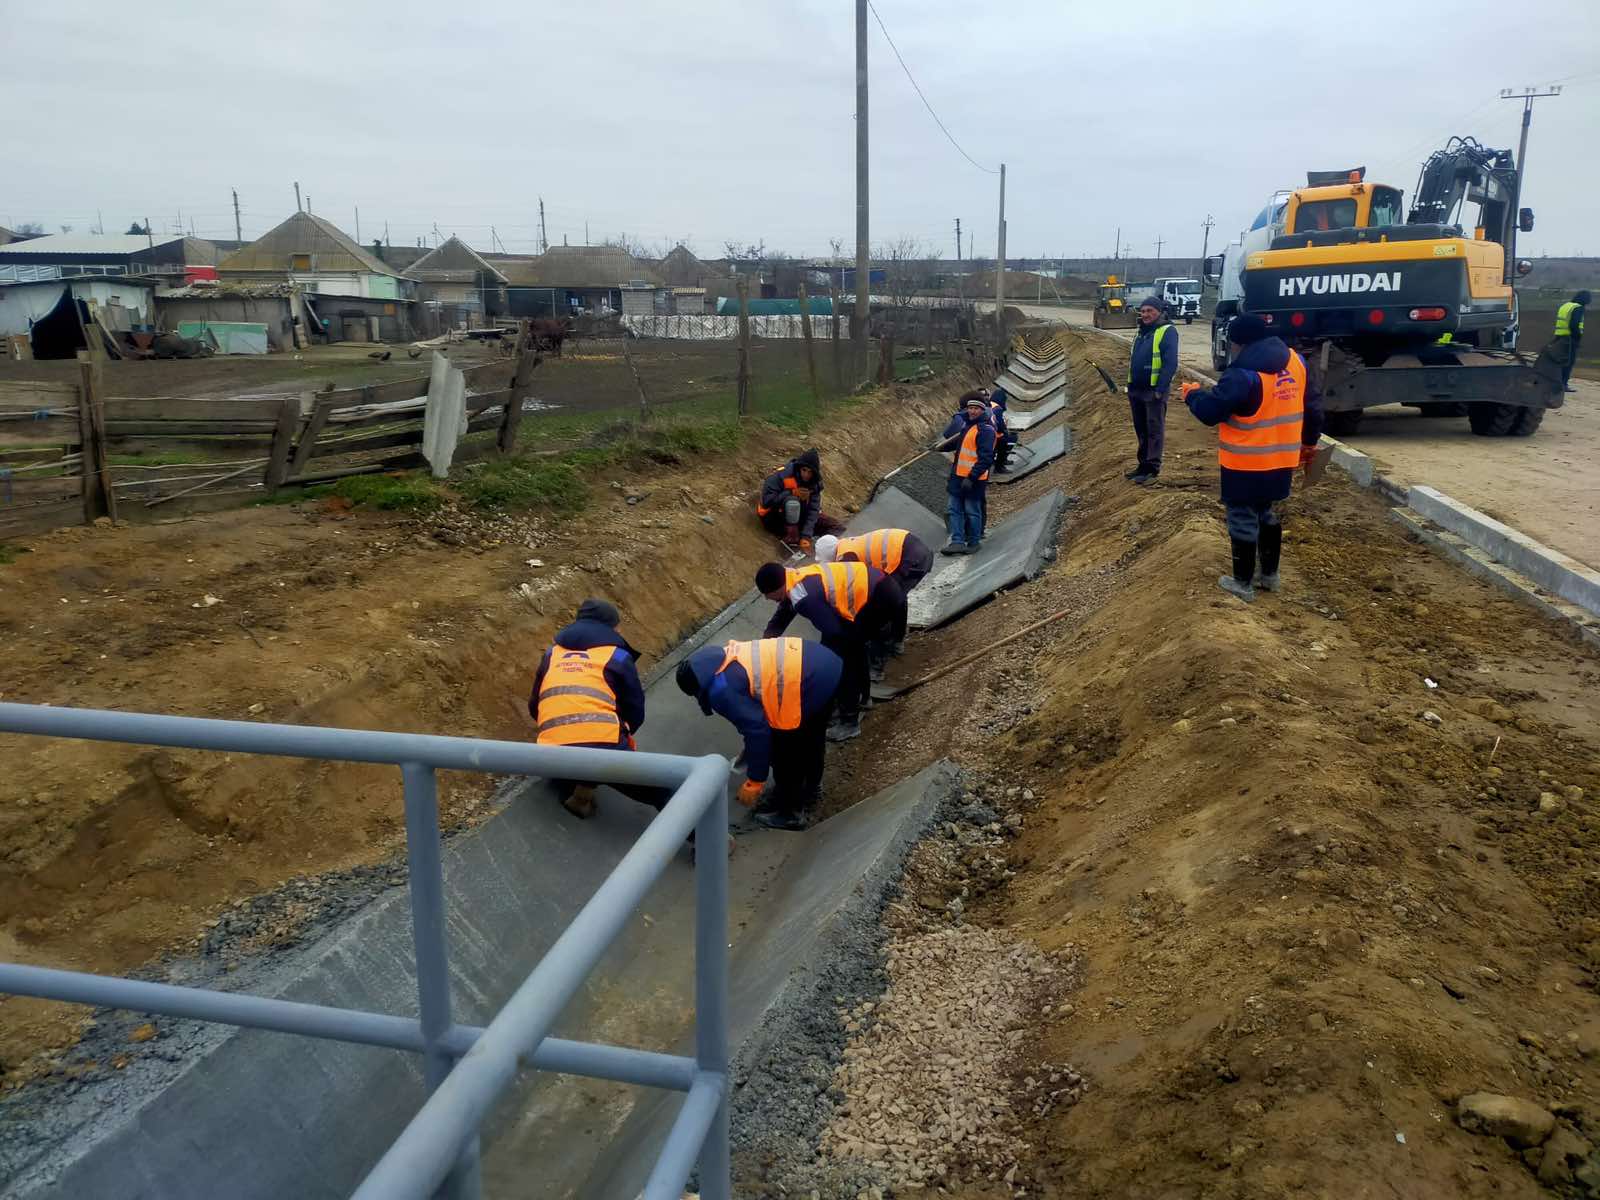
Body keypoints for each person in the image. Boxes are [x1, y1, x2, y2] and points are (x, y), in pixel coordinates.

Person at [1180, 314, 1324, 602]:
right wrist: (1309, 443)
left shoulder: (1241, 374)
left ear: (1237, 342)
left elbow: (1210, 412)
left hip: (1246, 463)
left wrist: (1192, 395)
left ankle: (1242, 583)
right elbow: (1313, 408)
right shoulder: (1296, 362)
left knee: (1242, 517)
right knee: (1266, 512)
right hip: (1282, 460)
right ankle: (1269, 576)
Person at [675, 637, 843, 831]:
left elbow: (757, 731)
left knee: (784, 752)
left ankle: (791, 813)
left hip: (808, 682)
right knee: (811, 737)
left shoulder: (721, 690)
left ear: (697, 689)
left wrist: (755, 781)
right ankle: (811, 787)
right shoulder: (727, 656)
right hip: (824, 665)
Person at [529, 599, 672, 820]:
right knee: (663, 790)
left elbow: (534, 706)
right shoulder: (617, 656)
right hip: (603, 748)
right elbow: (635, 709)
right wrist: (622, 734)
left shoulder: (551, 655)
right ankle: (705, 836)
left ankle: (578, 791)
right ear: (612, 628)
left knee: (577, 762)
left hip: (551, 753)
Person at [755, 559, 905, 742]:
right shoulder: (794, 578)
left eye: (767, 594)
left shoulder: (803, 597)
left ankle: (849, 721)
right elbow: (784, 613)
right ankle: (863, 698)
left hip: (878, 598)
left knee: (839, 660)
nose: (767, 599)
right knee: (851, 647)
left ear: (777, 588)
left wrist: (824, 658)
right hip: (880, 587)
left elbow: (834, 632)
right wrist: (764, 644)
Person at [815, 528, 934, 669]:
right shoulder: (847, 545)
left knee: (882, 610)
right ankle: (896, 641)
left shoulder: (847, 556)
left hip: (910, 559)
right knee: (895, 598)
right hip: (915, 551)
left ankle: (878, 663)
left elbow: (854, 593)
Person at [933, 391, 995, 554]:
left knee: (972, 511)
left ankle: (974, 542)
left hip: (973, 480)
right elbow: (959, 446)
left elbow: (986, 458)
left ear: (982, 410)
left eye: (976, 408)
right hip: (958, 477)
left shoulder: (986, 430)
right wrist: (940, 448)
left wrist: (971, 477)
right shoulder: (967, 426)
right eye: (970, 408)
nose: (972, 411)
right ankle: (957, 541)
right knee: (954, 510)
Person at [1126, 298, 1177, 484]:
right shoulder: (1141, 332)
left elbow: (1170, 363)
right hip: (1136, 390)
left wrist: (1160, 389)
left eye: (1150, 311)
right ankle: (1142, 465)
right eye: (1143, 311)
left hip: (1153, 391)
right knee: (1141, 429)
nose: (1145, 314)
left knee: (1154, 430)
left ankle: (1152, 468)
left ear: (1159, 312)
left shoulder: (1167, 331)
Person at [756, 448, 845, 550]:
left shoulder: (814, 484)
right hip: (773, 518)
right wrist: (791, 492)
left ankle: (822, 546)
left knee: (836, 527)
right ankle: (792, 539)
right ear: (799, 468)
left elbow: (813, 511)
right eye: (804, 470)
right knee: (792, 502)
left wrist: (806, 536)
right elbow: (767, 502)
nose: (806, 475)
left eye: (810, 472)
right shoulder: (780, 476)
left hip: (799, 517)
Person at [1555, 290, 1589, 393]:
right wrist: (1577, 337)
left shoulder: (1565, 306)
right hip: (1570, 339)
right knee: (1568, 362)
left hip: (1559, 337)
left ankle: (1556, 382)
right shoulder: (1578, 308)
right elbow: (1574, 325)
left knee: (1559, 361)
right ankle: (1563, 384)